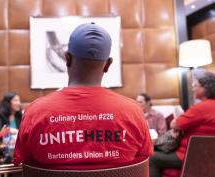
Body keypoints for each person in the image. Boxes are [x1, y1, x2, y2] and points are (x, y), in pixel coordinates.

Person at [14, 23, 153, 169]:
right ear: (108, 65)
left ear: (67, 59)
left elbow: (24, 162)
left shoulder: (34, 113)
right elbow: (142, 161)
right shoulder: (133, 112)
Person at [149, 71, 215, 177]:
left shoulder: (200, 108)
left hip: (191, 155)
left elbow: (174, 124)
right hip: (210, 156)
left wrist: (179, 127)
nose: (193, 88)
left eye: (195, 85)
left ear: (204, 88)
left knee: (151, 158)